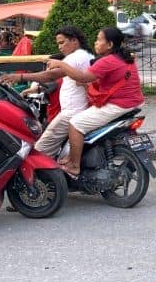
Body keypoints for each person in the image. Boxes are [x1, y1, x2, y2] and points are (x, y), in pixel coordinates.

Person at [47, 27, 143, 178]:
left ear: (110, 45)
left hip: (119, 105)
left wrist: (61, 65)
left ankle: (74, 165)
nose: (95, 43)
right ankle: (74, 156)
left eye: (99, 40)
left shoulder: (108, 61)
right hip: (132, 103)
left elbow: (83, 77)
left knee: (76, 123)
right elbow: (101, 81)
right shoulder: (122, 58)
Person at [0, 26, 92, 158]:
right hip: (76, 111)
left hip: (71, 113)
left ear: (74, 41)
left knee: (40, 151)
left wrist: (20, 77)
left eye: (62, 43)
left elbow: (50, 76)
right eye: (58, 44)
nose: (60, 47)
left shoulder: (75, 57)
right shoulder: (85, 55)